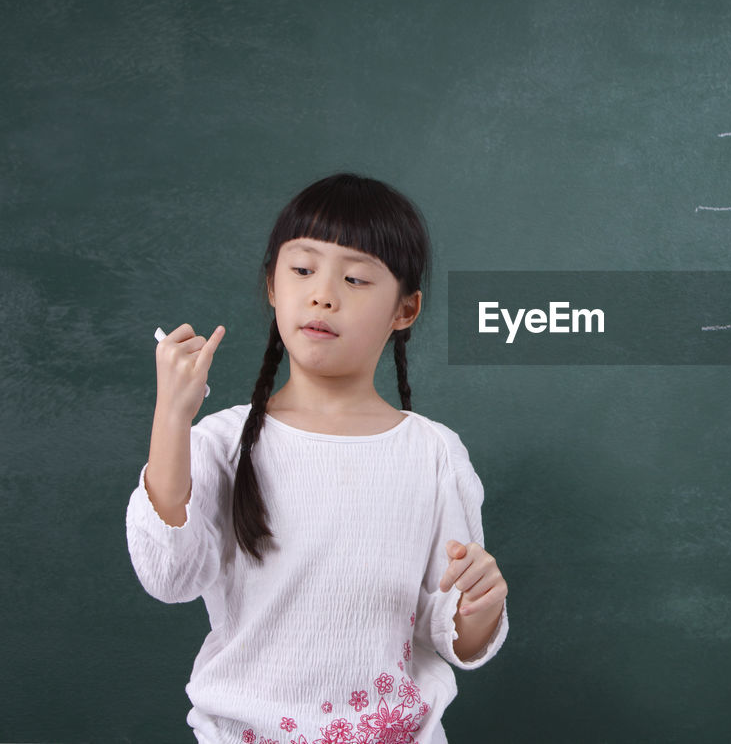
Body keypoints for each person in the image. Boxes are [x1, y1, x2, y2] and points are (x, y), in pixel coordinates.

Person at [126, 173, 508, 744]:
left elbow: (446, 630)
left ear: (405, 309)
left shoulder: (431, 453)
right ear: (273, 287)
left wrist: (480, 611)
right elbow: (168, 575)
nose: (323, 293)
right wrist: (170, 420)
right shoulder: (222, 442)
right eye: (302, 270)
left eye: (354, 278)